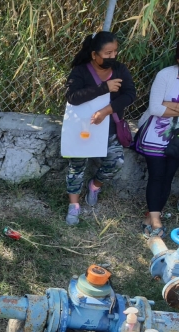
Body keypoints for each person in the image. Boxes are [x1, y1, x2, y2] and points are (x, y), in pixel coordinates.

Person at [64, 31, 136, 225]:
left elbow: (130, 94)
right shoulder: (80, 71)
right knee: (76, 165)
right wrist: (104, 88)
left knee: (116, 161)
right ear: (94, 54)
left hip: (109, 127)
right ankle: (74, 204)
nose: (113, 57)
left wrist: (107, 110)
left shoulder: (120, 69)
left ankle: (95, 185)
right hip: (82, 127)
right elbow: (72, 97)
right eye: (107, 53)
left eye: (115, 52)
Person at [137, 42, 179, 238]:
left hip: (176, 137)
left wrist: (168, 105)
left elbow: (162, 105)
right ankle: (156, 220)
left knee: (168, 176)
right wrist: (165, 106)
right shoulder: (166, 75)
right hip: (156, 134)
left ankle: (151, 217)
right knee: (157, 175)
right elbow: (155, 108)